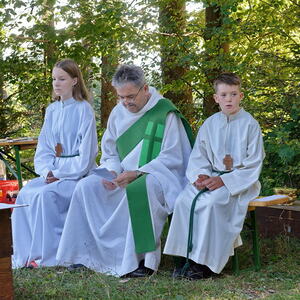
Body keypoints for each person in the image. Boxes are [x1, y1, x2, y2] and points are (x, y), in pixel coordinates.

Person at [56, 64, 193, 277]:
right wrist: (111, 171)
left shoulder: (165, 113)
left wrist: (138, 173)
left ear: (145, 89)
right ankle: (85, 255)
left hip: (158, 176)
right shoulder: (118, 113)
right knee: (85, 186)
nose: (126, 102)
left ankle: (140, 263)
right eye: (121, 97)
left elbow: (174, 157)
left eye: (130, 96)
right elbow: (110, 152)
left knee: (141, 188)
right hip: (121, 176)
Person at [164, 72, 265, 279]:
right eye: (224, 94)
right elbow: (198, 156)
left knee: (211, 205)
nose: (229, 99)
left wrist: (224, 180)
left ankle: (205, 264)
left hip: (238, 183)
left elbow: (253, 164)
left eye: (233, 94)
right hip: (210, 179)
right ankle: (184, 259)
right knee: (183, 200)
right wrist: (200, 176)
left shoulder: (250, 125)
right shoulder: (210, 124)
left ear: (241, 96)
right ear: (215, 98)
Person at [12, 58, 98, 268]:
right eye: (54, 79)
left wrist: (62, 173)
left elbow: (87, 155)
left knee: (45, 195)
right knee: (25, 193)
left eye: (62, 79)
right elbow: (45, 149)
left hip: (78, 174)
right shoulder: (52, 110)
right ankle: (24, 254)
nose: (56, 83)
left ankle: (48, 256)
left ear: (75, 80)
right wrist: (47, 171)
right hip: (54, 172)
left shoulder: (83, 109)